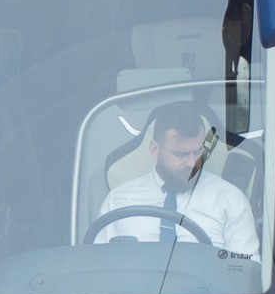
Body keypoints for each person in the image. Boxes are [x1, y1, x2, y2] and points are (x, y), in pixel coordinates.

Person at [94, 99, 259, 257]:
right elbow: (100, 269)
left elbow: (245, 273)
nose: (191, 162)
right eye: (180, 154)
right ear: (154, 149)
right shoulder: (118, 201)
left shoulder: (229, 199)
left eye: (198, 152)